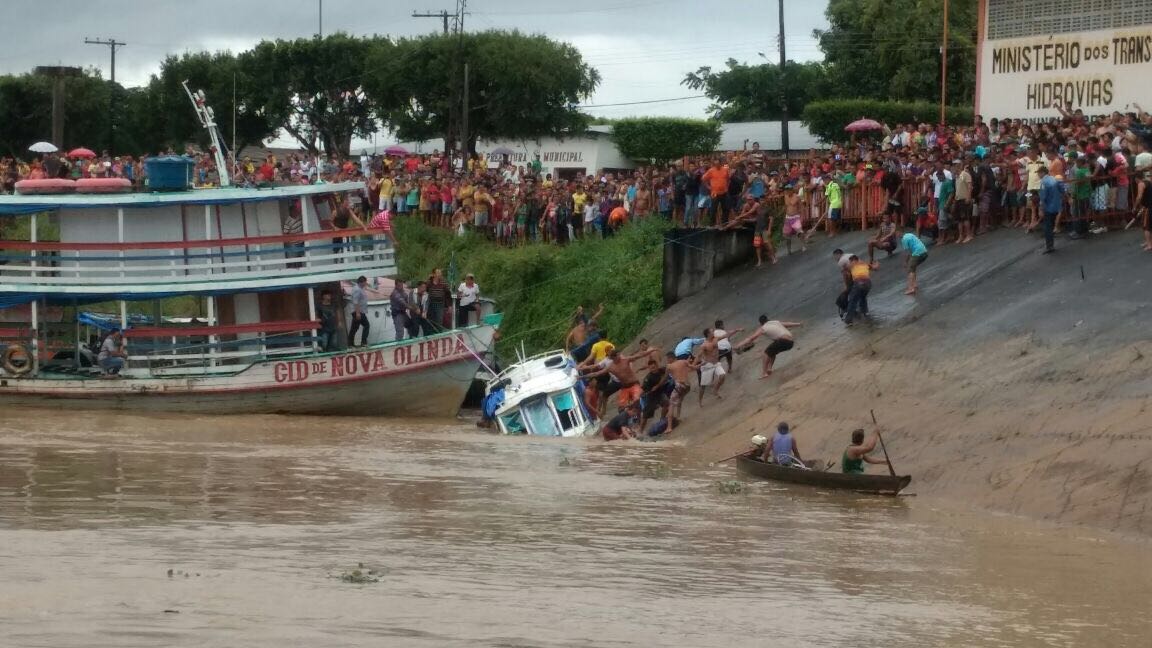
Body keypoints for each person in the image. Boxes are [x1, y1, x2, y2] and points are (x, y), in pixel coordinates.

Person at [734, 315, 802, 378]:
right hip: (791, 343)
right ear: (768, 319)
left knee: (765, 353)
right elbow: (787, 324)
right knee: (772, 352)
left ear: (760, 323)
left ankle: (764, 373)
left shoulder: (763, 328)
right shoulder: (775, 322)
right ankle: (769, 369)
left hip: (783, 341)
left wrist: (738, 345)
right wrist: (798, 324)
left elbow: (751, 338)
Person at [696, 326, 741, 405]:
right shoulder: (704, 345)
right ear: (708, 334)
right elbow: (699, 355)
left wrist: (736, 330)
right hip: (708, 365)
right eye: (711, 332)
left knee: (722, 375)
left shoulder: (715, 339)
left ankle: (715, 390)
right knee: (703, 386)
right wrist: (693, 366)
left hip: (716, 363)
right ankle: (700, 401)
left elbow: (726, 335)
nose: (713, 332)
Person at [1037, 165, 1063, 255]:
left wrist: (1040, 209)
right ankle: (1050, 243)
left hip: (1049, 207)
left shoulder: (1044, 182)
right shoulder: (1054, 179)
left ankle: (1049, 246)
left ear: (1042, 173)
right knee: (1051, 225)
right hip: (1056, 205)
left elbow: (1043, 197)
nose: (1038, 175)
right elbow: (1062, 189)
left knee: (1047, 227)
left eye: (1039, 173)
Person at [900, 225, 929, 295]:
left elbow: (907, 253)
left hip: (918, 252)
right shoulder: (909, 234)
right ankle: (914, 284)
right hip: (924, 252)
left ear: (898, 233)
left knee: (910, 269)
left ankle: (911, 288)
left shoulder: (904, 239)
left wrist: (905, 262)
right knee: (913, 266)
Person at [844, 255, 872, 326]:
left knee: (852, 300)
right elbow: (874, 267)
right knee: (862, 296)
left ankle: (849, 319)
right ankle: (865, 312)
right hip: (868, 283)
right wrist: (876, 265)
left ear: (854, 260)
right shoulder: (865, 264)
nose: (850, 263)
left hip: (859, 282)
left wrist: (847, 286)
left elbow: (845, 273)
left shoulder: (851, 265)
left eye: (850, 261)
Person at [348, 275, 371, 347]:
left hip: (360, 311)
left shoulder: (360, 288)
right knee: (366, 325)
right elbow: (356, 302)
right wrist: (358, 313)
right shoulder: (357, 289)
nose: (365, 283)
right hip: (358, 312)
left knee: (354, 327)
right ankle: (363, 342)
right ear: (362, 282)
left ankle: (350, 344)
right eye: (365, 282)